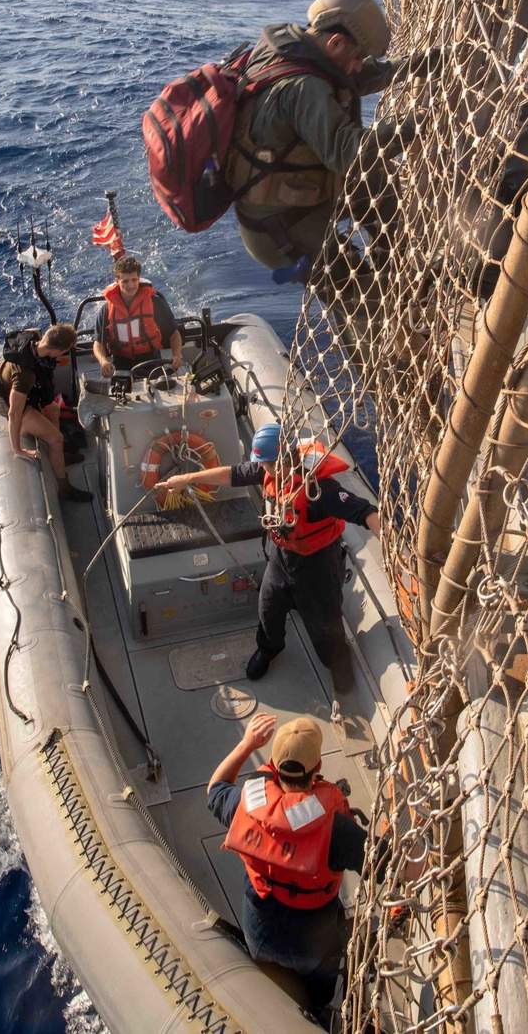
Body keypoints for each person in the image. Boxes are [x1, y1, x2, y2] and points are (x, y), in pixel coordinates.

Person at [155, 422, 380, 691]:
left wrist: (389, 546)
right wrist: (188, 479)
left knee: (325, 623)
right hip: (282, 559)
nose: (259, 469)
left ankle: (337, 663)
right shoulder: (269, 472)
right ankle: (269, 648)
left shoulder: (319, 490)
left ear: (282, 460)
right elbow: (231, 474)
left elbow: (365, 512)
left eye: (264, 464)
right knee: (268, 608)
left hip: (318, 566)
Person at [222, 0, 400, 277]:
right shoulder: (303, 88)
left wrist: (408, 67)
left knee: (381, 181)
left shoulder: (287, 44)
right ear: (336, 42)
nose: (358, 66)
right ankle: (382, 304)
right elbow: (350, 153)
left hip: (291, 195)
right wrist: (418, 124)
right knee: (355, 283)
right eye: (358, 57)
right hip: (281, 227)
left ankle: (396, 273)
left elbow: (346, 79)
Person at [206, 712, 372, 1013]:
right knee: (319, 994)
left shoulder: (247, 804)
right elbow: (402, 867)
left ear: (274, 766)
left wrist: (246, 744)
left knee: (271, 982)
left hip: (259, 928)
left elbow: (215, 789)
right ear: (317, 768)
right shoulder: (339, 831)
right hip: (314, 940)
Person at [0, 323, 93, 503]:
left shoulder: (33, 336)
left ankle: (58, 456)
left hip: (12, 388)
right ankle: (64, 487)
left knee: (53, 409)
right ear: (55, 352)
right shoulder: (24, 376)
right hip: (7, 402)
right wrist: (18, 450)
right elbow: (14, 413)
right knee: (56, 439)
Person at [92, 254, 182, 377]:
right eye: (125, 281)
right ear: (117, 281)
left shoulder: (155, 303)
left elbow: (174, 334)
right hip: (121, 362)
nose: (130, 286)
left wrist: (176, 356)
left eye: (134, 280)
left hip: (151, 360)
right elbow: (98, 343)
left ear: (139, 278)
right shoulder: (106, 309)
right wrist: (104, 362)